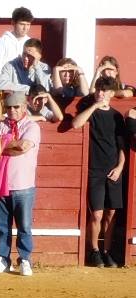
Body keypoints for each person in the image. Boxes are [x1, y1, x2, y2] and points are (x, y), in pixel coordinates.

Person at [72, 77, 128, 268]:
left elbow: (122, 146)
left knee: (110, 214)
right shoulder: (91, 112)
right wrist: (94, 106)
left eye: (104, 90)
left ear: (112, 93)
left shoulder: (116, 117)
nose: (100, 93)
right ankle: (94, 250)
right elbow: (76, 124)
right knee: (96, 214)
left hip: (113, 170)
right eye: (98, 90)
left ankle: (107, 251)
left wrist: (120, 167)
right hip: (95, 170)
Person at [0, 91, 40, 276]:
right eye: (9, 107)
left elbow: (23, 147)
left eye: (16, 107)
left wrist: (4, 144)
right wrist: (9, 144)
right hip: (1, 184)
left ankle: (25, 259)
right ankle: (3, 258)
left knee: (24, 226)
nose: (12, 110)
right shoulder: (0, 124)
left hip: (24, 184)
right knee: (2, 226)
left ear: (24, 107)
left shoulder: (32, 126)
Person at [0, 6, 33, 82]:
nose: (25, 28)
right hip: (6, 87)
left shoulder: (31, 43)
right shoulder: (2, 42)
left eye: (28, 24)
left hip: (26, 87)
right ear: (13, 23)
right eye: (22, 24)